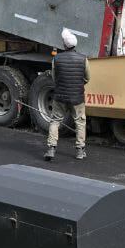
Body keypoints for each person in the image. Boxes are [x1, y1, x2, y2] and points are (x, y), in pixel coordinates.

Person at [45, 28, 88, 162]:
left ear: (64, 45)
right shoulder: (83, 59)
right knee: (80, 122)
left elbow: (54, 77)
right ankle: (80, 151)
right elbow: (87, 78)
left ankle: (51, 148)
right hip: (77, 97)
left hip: (60, 97)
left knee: (55, 121)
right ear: (75, 45)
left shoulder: (56, 59)